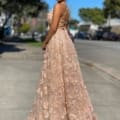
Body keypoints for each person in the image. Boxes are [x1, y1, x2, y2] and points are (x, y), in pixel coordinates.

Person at [27, 0, 97, 119]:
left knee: (55, 76)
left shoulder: (58, 6)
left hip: (56, 40)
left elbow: (53, 28)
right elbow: (66, 28)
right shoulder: (67, 8)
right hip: (65, 40)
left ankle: (57, 113)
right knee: (67, 77)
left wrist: (44, 42)